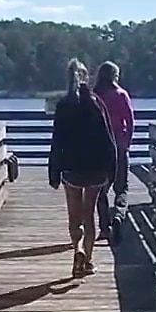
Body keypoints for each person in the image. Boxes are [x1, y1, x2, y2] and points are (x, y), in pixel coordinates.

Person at [48, 59, 118, 277]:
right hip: (95, 169)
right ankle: (87, 261)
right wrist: (112, 170)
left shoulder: (63, 105)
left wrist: (54, 172)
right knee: (89, 216)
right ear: (86, 77)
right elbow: (109, 139)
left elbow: (56, 141)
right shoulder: (96, 103)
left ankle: (76, 250)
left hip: (71, 170)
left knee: (74, 216)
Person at [93, 61, 133, 242]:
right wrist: (127, 143)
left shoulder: (95, 97)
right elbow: (130, 122)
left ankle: (104, 227)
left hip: (100, 149)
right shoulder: (121, 95)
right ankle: (118, 216)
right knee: (121, 188)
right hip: (119, 146)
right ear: (115, 76)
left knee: (100, 189)